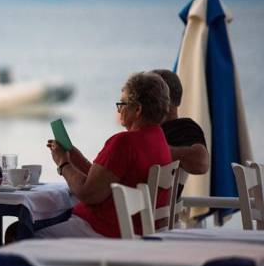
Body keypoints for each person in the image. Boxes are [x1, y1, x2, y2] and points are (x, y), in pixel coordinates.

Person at [38, 72, 173, 238]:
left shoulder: (124, 142)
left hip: (103, 230)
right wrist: (72, 154)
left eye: (122, 104)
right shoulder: (158, 138)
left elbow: (88, 194)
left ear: (137, 109)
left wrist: (63, 164)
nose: (119, 109)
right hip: (136, 228)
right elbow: (103, 179)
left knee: (23, 233)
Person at [151, 69, 209, 178]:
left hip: (141, 193)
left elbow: (201, 163)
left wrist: (154, 150)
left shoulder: (183, 128)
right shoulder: (149, 130)